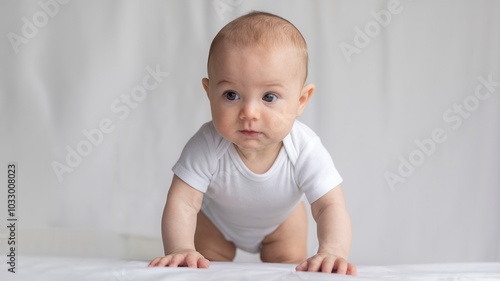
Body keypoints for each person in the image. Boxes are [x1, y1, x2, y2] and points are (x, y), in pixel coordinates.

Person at [149, 11, 356, 275]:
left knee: (288, 266)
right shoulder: (207, 144)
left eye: (269, 97)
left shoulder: (304, 148)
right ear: (209, 93)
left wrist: (333, 251)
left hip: (281, 223)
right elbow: (183, 201)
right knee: (200, 265)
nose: (250, 113)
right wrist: (180, 248)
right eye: (231, 95)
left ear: (301, 100)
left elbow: (330, 205)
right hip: (217, 224)